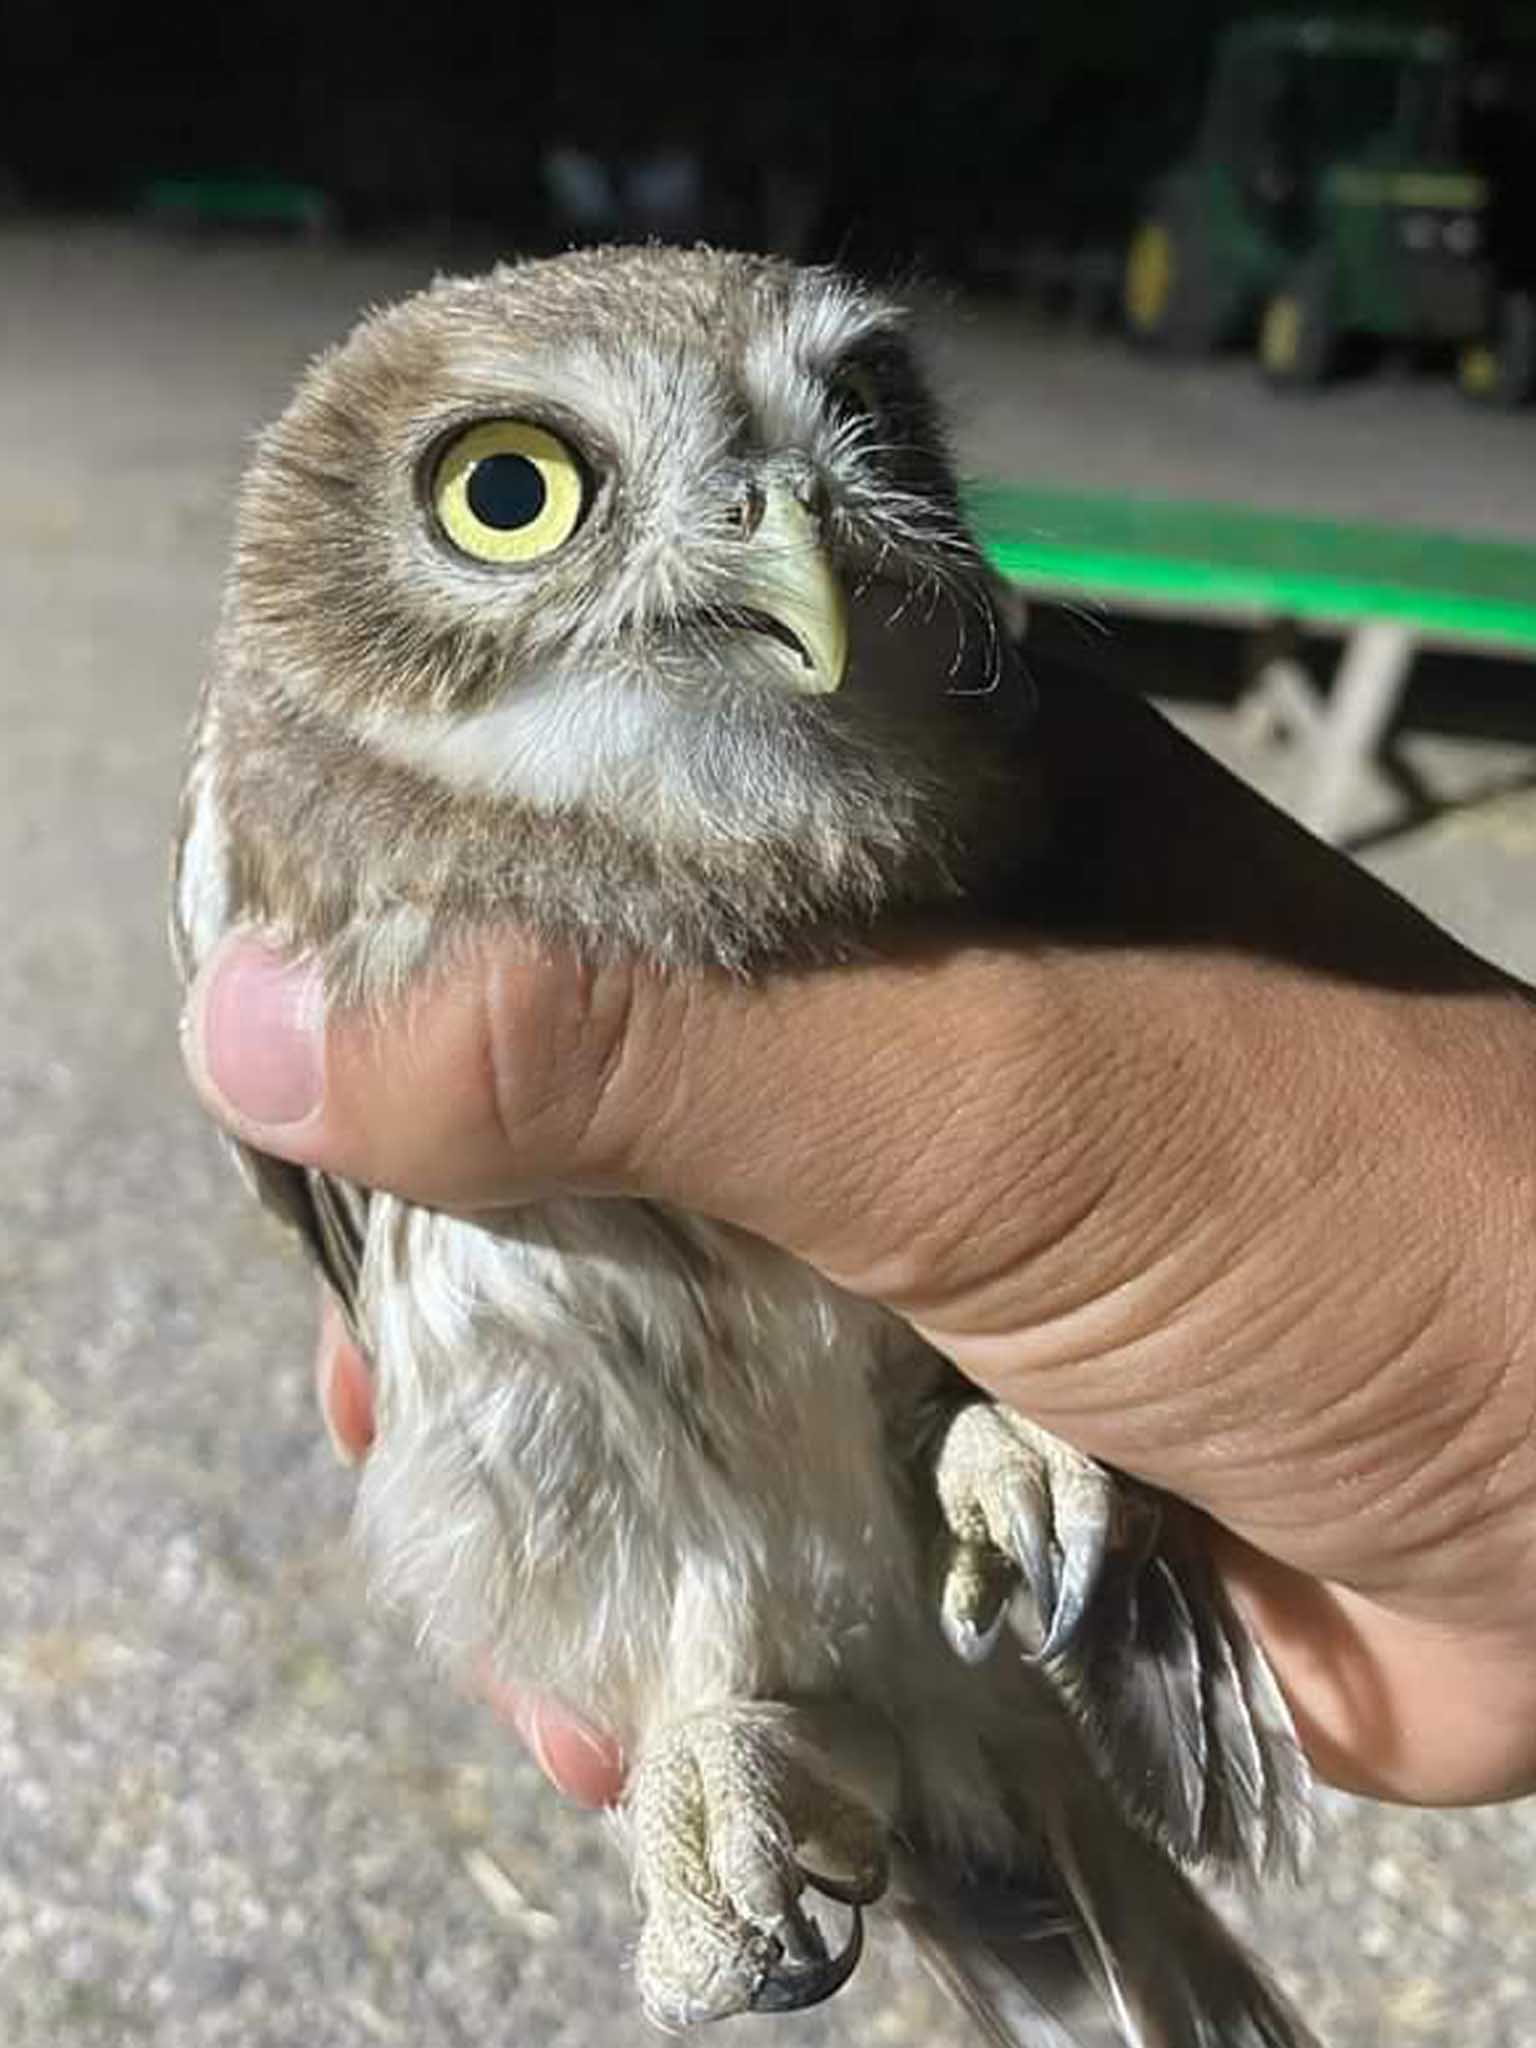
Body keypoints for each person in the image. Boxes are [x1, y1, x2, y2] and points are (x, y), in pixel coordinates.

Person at [180, 665, 1536, 1814]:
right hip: (654, 1524)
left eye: (857, 426)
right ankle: (717, 1690)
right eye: (514, 491)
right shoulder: (283, 787)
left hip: (1028, 1445)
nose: (779, 528)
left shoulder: (927, 722)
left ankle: (926, 1478)